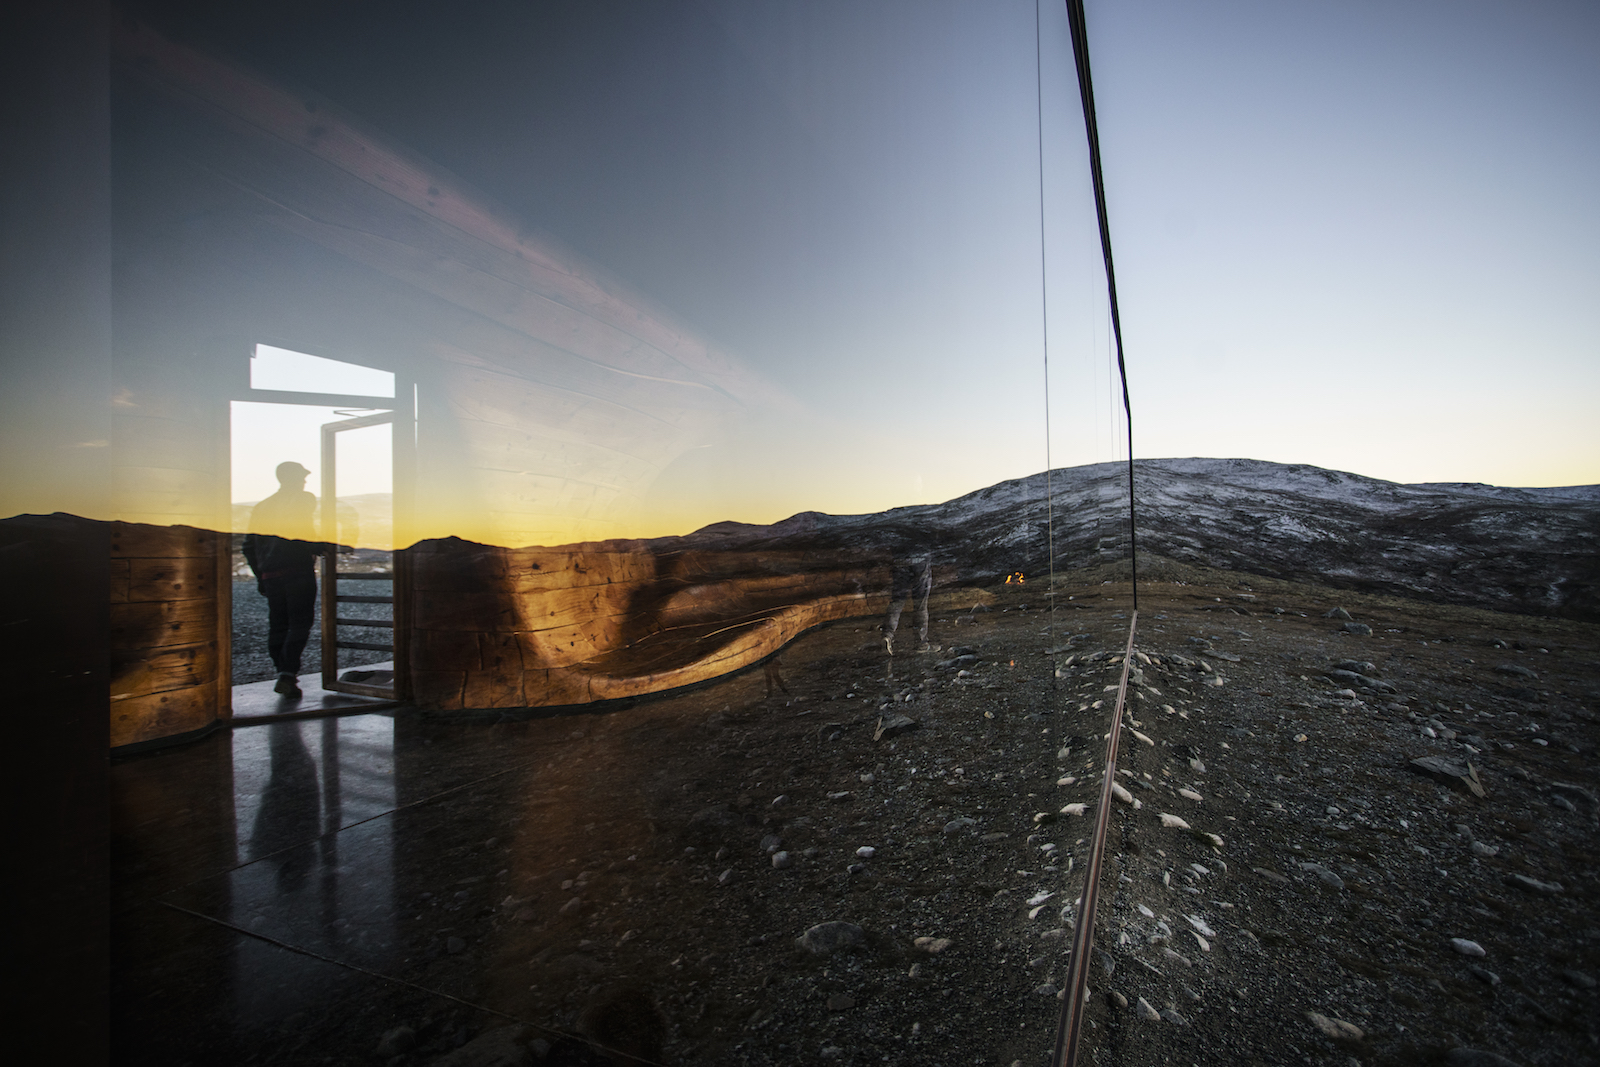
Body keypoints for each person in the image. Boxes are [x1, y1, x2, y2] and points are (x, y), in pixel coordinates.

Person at [242, 461, 322, 697]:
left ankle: (284, 673)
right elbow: (299, 534)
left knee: (278, 626)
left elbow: (248, 546)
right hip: (297, 572)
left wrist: (261, 577)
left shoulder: (261, 507)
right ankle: (287, 674)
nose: (305, 481)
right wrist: (325, 546)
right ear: (292, 479)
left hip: (271, 576)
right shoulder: (304, 499)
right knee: (300, 623)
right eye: (302, 477)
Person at [883, 552, 933, 655]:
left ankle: (887, 635)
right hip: (920, 558)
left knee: (897, 600)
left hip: (900, 560)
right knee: (921, 603)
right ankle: (921, 643)